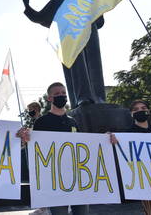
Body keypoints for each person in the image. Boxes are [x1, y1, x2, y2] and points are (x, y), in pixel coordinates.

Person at [22, 0, 106, 108]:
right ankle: (82, 98)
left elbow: (100, 22)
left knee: (94, 66)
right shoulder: (59, 1)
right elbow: (40, 17)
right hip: (70, 38)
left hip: (91, 36)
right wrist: (27, 7)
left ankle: (99, 98)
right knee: (76, 68)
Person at [17, 82, 88, 215]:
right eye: (57, 94)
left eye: (63, 93)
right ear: (49, 98)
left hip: (76, 179)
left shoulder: (73, 121)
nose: (61, 96)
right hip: (54, 181)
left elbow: (81, 146)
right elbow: (36, 150)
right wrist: (26, 139)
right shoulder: (42, 122)